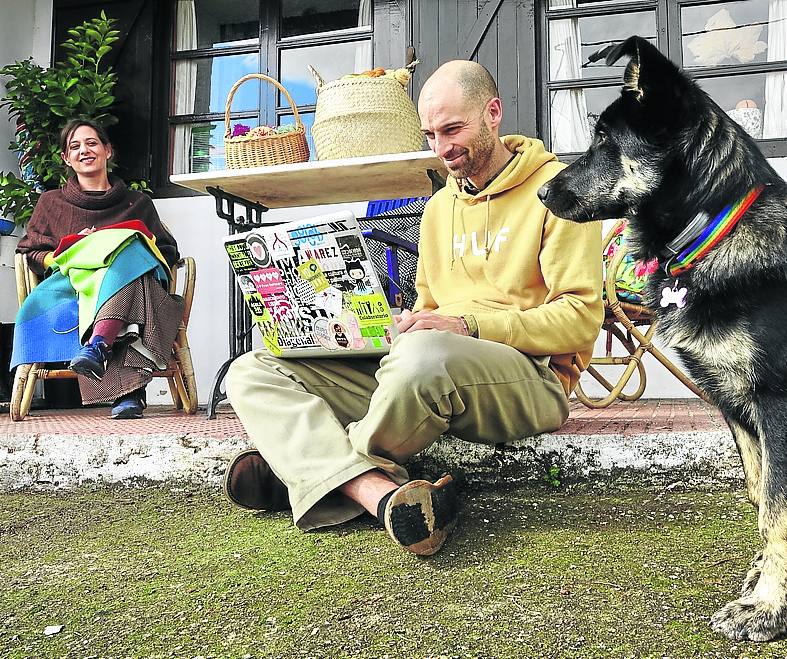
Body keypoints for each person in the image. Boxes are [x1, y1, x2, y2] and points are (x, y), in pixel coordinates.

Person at [223, 60, 603, 556]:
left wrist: (466, 324)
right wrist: (381, 327)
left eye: (453, 129)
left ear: (493, 112)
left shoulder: (560, 191)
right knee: (252, 371)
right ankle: (376, 494)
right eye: (430, 135)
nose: (443, 149)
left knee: (423, 357)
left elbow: (580, 319)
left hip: (528, 379)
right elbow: (427, 307)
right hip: (427, 370)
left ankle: (309, 473)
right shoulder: (439, 207)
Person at [14, 118, 182, 419]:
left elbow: (168, 252)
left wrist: (127, 246)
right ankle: (128, 391)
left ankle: (98, 346)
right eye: (74, 146)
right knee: (131, 269)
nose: (84, 150)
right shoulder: (51, 203)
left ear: (107, 151)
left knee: (131, 253)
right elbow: (31, 251)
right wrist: (75, 250)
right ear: (66, 158)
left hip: (134, 281)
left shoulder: (138, 203)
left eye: (92, 143)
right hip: (73, 287)